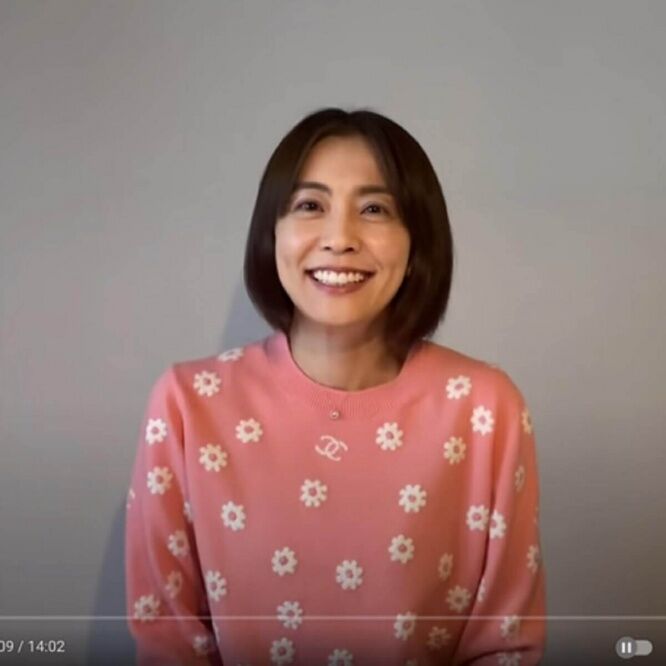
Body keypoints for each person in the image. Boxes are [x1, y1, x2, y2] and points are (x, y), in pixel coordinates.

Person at [125, 107, 546, 665]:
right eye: (310, 206)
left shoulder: (485, 409)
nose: (340, 238)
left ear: (417, 242)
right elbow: (167, 644)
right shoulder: (186, 405)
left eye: (374, 209)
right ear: (271, 233)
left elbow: (505, 646)